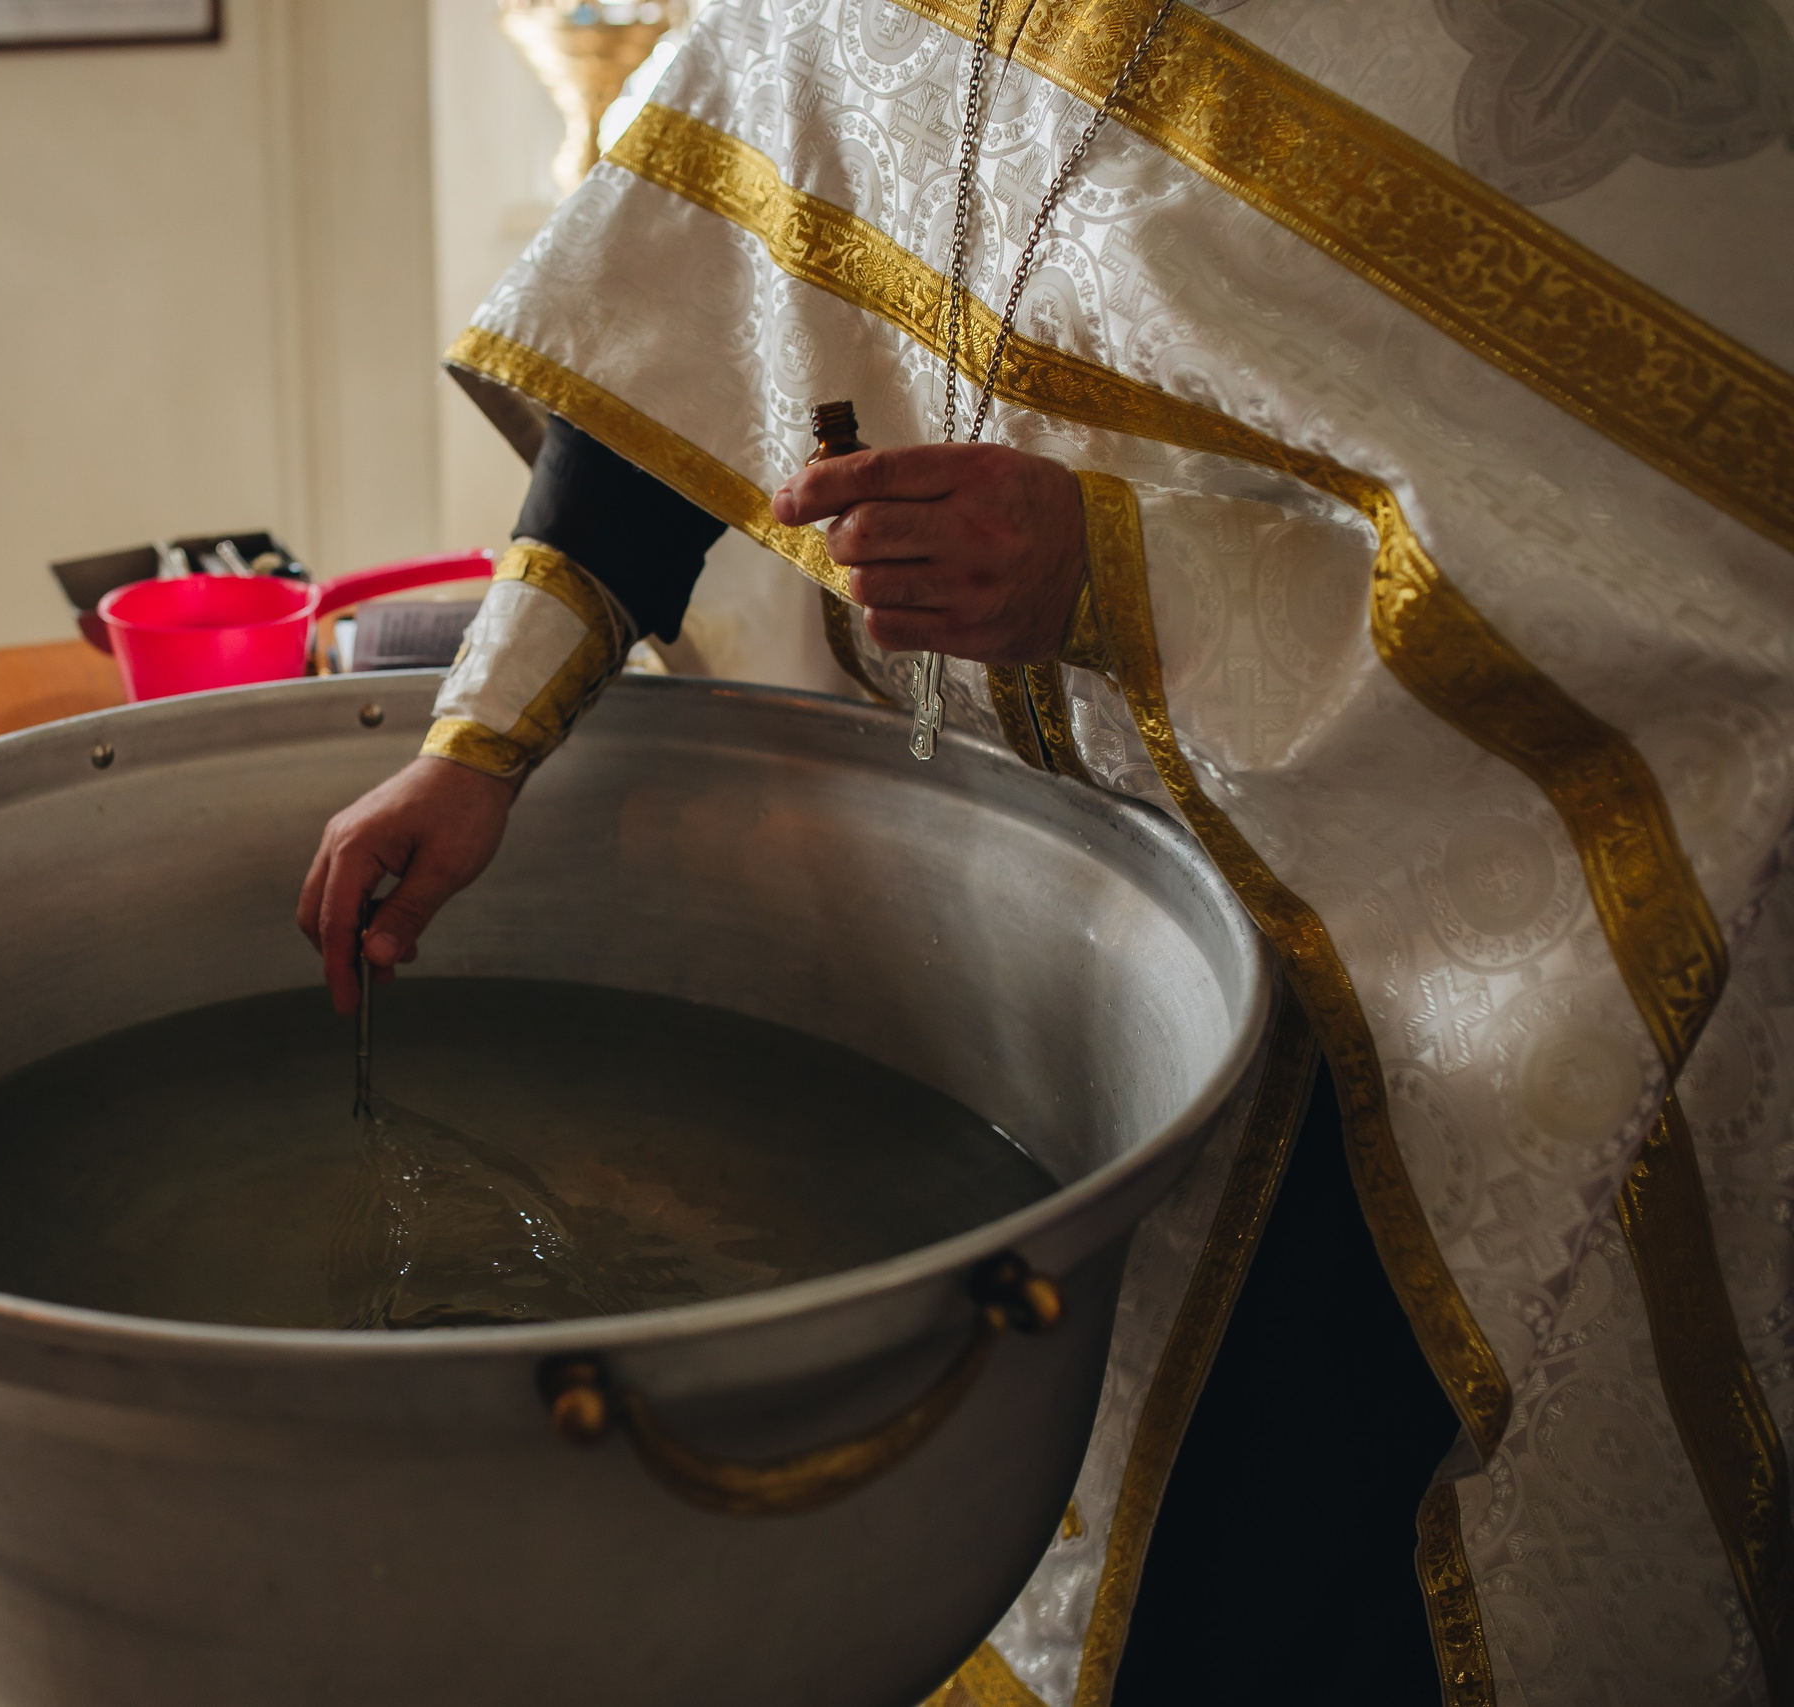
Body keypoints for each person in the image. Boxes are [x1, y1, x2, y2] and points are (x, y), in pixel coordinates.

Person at [300, 3, 1793, 1704]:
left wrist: (1122, 578)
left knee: (1268, 1596)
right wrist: (482, 741)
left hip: (1401, 1004)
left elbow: (1713, 592)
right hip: (959, 930)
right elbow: (678, 335)